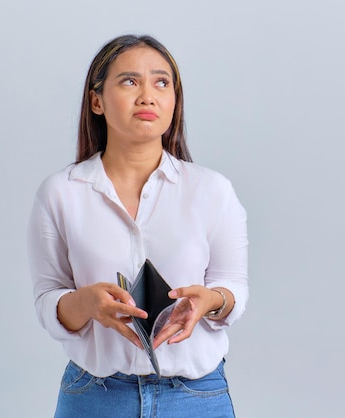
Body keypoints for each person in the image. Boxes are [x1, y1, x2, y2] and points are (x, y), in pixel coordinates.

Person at [27, 34, 248, 418]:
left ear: (174, 100)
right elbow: (48, 300)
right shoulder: (61, 193)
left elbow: (234, 288)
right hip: (96, 397)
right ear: (96, 100)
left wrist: (210, 301)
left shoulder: (212, 190)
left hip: (195, 397)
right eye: (129, 81)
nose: (148, 95)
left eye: (162, 83)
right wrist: (87, 303)